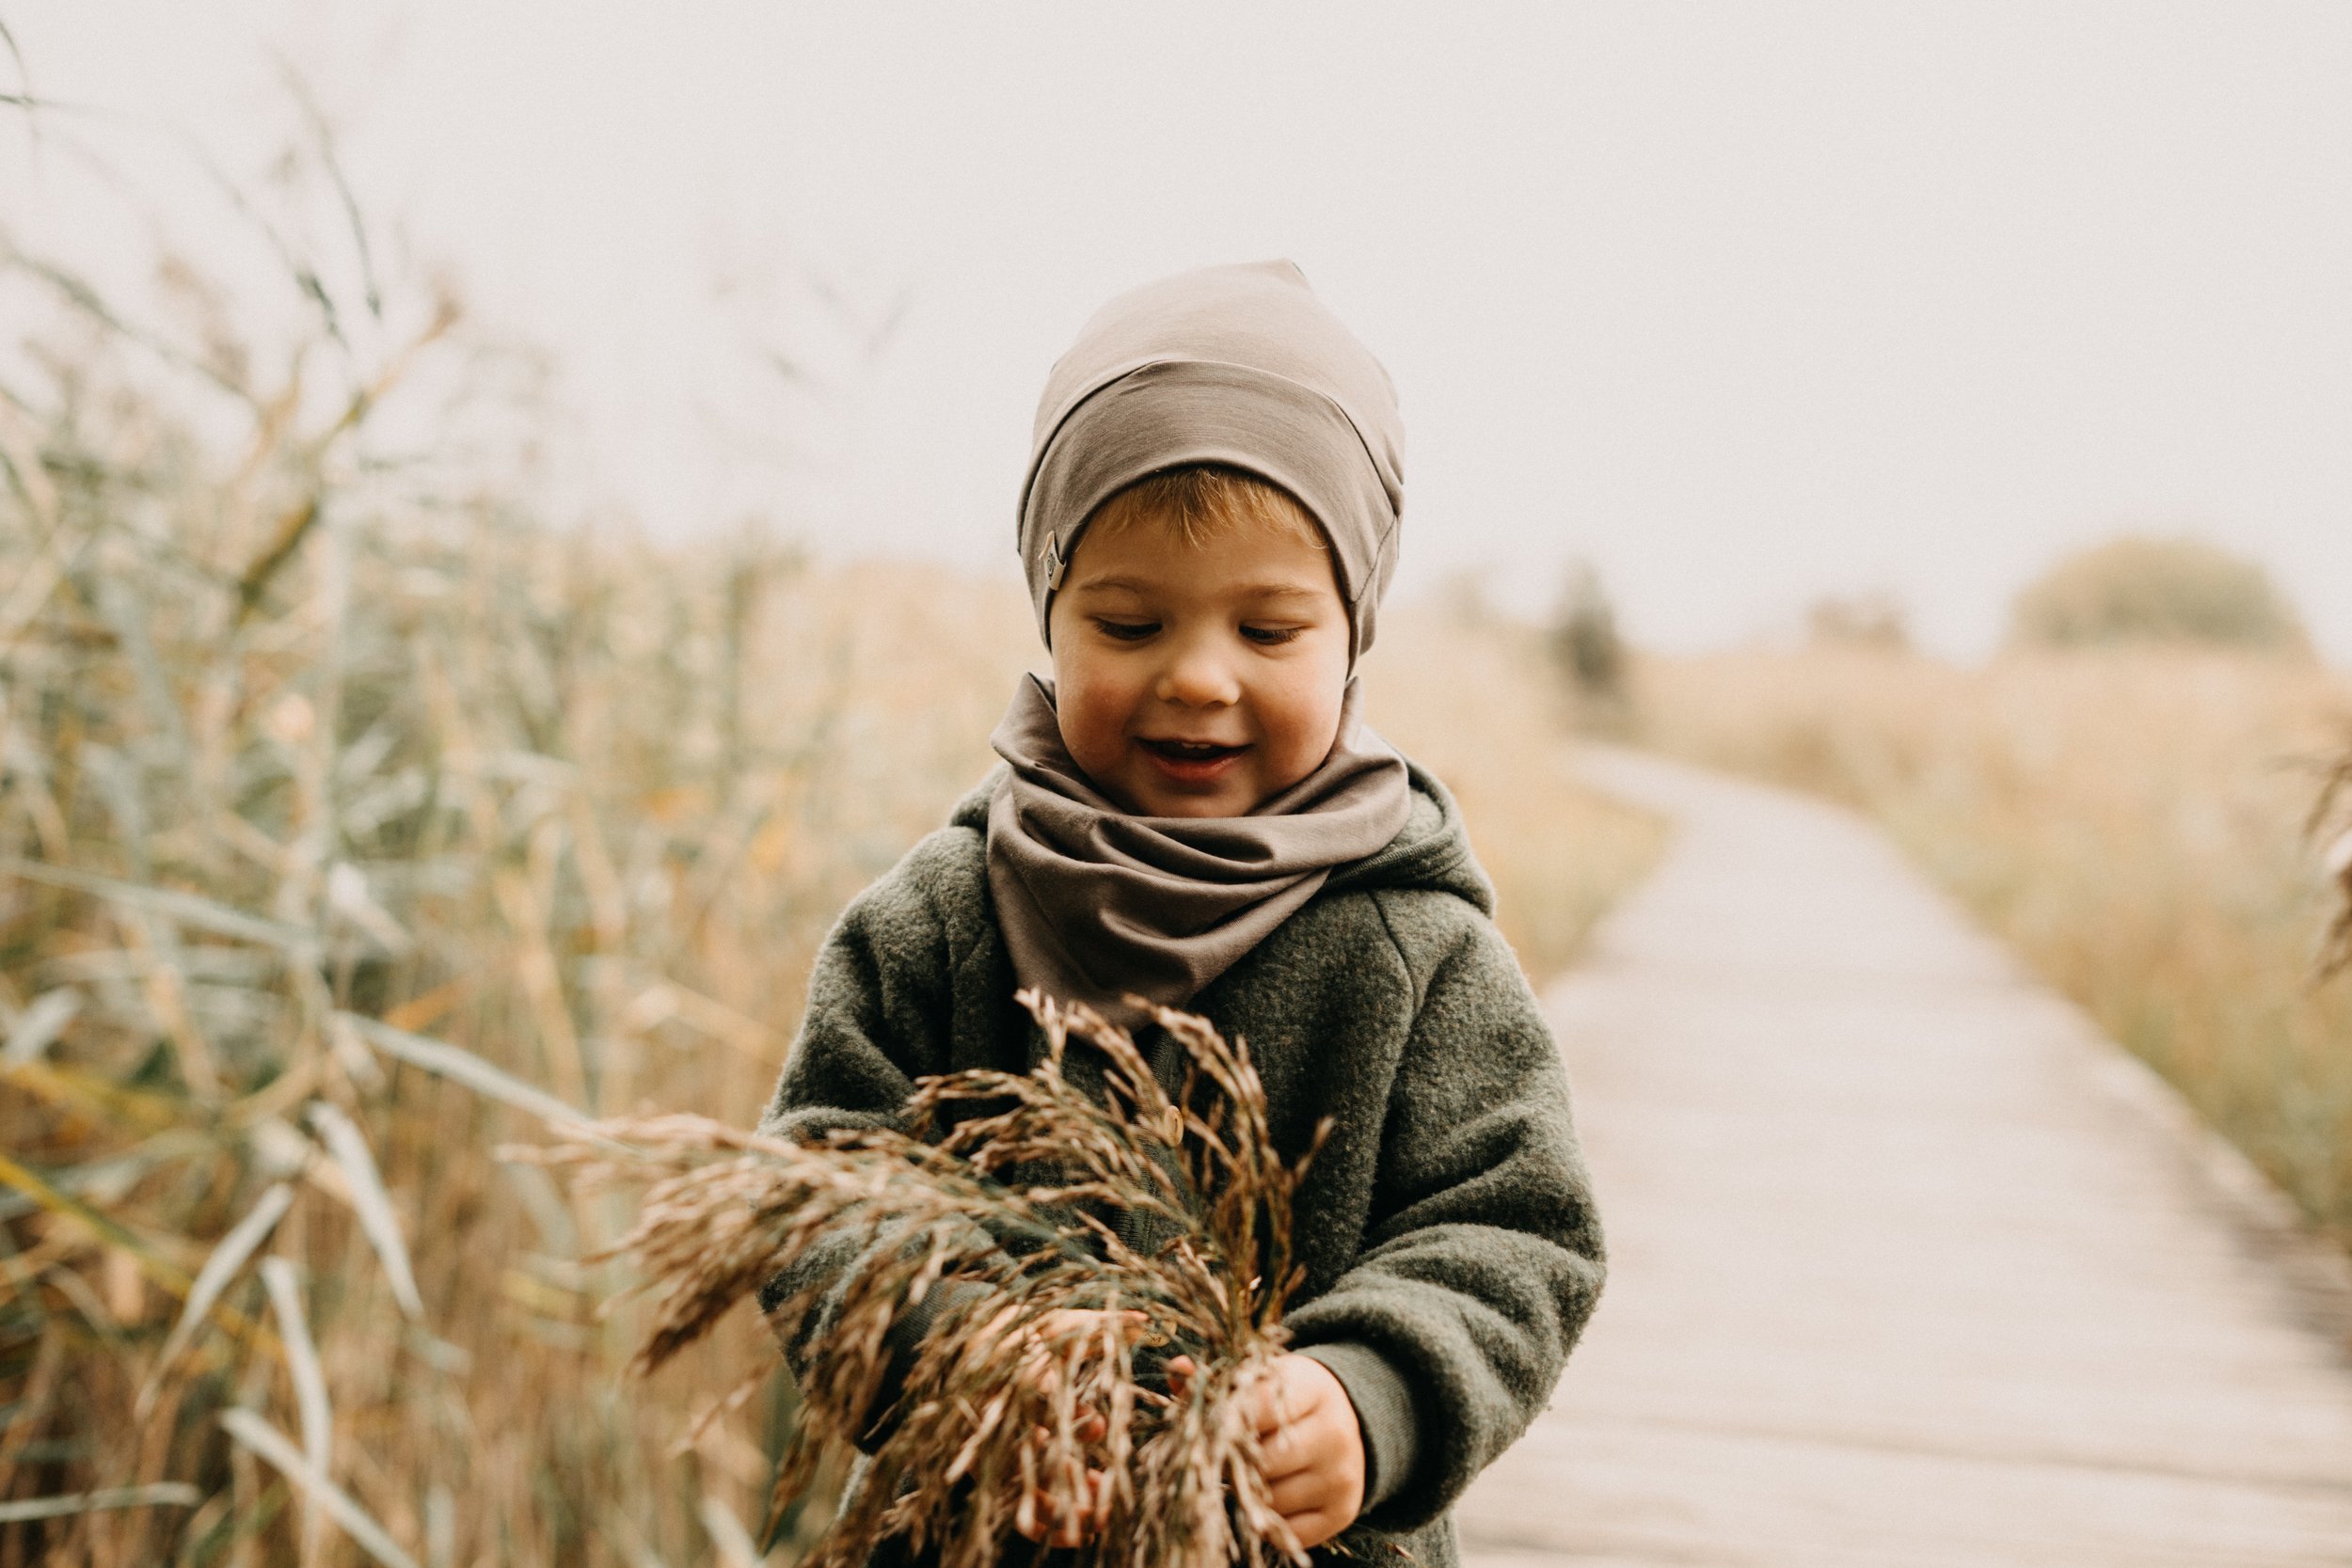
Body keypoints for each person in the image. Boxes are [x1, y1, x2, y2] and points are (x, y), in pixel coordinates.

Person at [758, 261, 1605, 1567]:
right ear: (1053, 617)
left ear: (1352, 639)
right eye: (1132, 621)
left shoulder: (1418, 952)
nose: (1198, 677)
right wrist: (973, 1362)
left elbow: (1514, 1228)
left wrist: (1367, 1397)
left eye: (1268, 631)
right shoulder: (938, 923)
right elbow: (823, 1190)